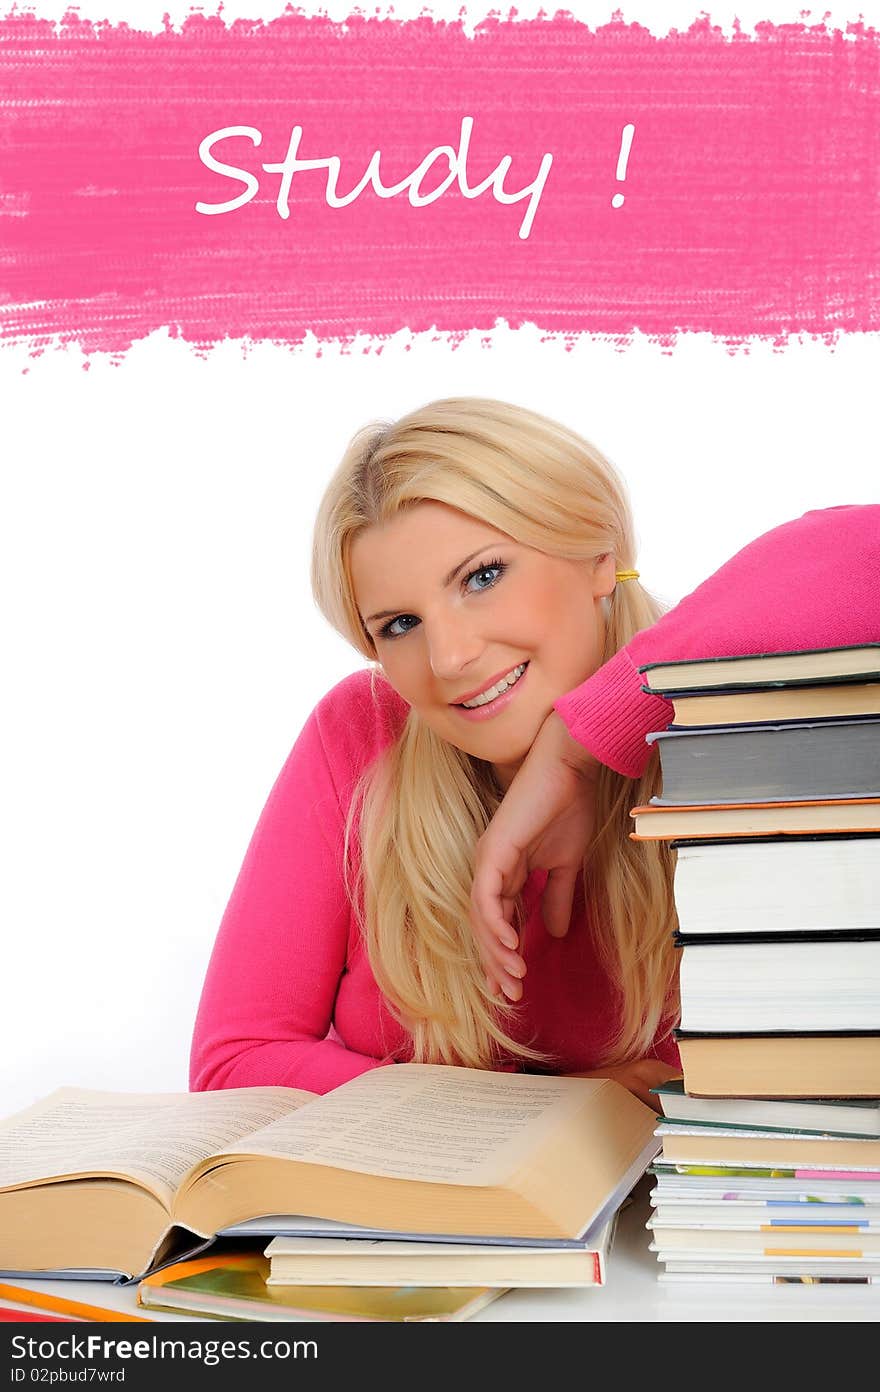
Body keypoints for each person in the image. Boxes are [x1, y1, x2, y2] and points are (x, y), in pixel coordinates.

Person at [189, 397, 879, 1108]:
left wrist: (586, 738)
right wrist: (549, 1107)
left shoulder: (731, 716)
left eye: (482, 577)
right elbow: (236, 1063)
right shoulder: (361, 735)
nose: (450, 657)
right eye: (399, 624)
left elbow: (867, 546)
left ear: (599, 557)